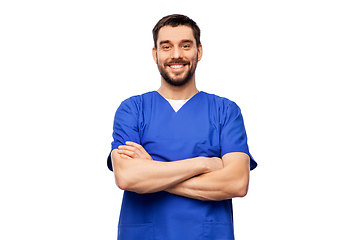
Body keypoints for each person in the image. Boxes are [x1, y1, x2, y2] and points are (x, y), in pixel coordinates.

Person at [107, 14, 257, 240]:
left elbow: (237, 182)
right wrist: (203, 163)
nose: (176, 54)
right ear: (155, 54)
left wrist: (152, 173)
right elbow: (127, 177)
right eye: (166, 47)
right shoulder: (132, 110)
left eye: (185, 46)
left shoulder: (225, 111)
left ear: (199, 51)